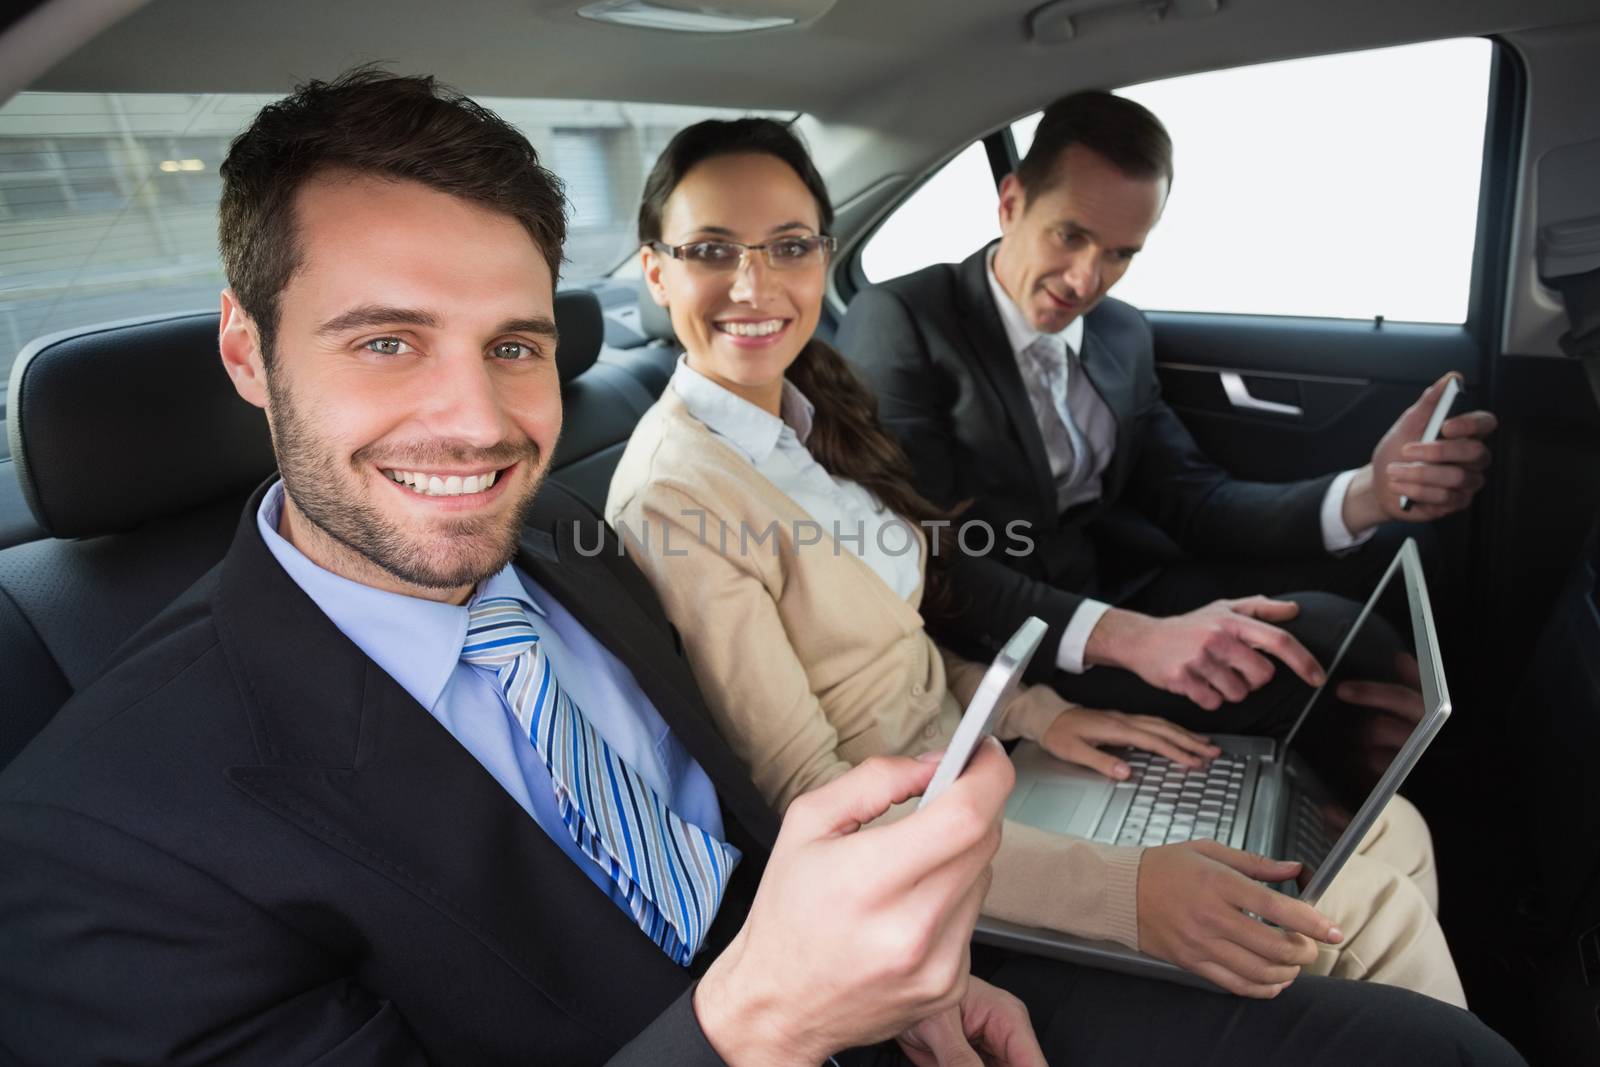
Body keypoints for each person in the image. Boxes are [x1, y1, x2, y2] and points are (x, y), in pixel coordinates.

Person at [0, 71, 1515, 1066]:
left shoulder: (572, 567)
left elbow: (767, 795)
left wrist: (957, 921)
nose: (475, 417)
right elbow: (801, 790)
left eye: (515, 344)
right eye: (385, 340)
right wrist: (766, 1011)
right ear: (247, 353)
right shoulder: (100, 833)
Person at [606, 116, 1465, 1007]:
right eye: (712, 248)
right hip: (925, 850)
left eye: (788, 246)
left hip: (989, 757)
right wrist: (1123, 892)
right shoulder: (677, 493)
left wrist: (1039, 711)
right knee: (1365, 909)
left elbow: (898, 638)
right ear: (656, 269)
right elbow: (814, 799)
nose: (755, 283)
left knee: (1392, 831)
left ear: (823, 257)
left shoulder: (806, 420)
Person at [833, 91, 1498, 736]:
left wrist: (1370, 494)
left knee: (1395, 548)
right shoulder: (903, 320)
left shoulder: (1122, 334)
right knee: (1322, 642)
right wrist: (1129, 636)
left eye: (1121, 253)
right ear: (1011, 204)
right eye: (1070, 236)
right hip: (1005, 632)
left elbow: (1195, 499)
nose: (1087, 280)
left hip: (1124, 580)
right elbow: (925, 555)